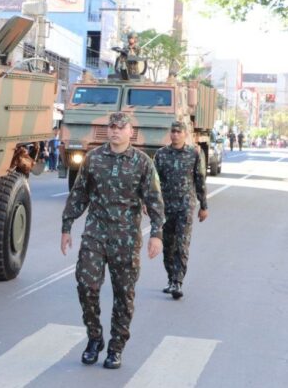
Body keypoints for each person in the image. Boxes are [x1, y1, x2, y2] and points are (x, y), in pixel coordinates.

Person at [60, 112, 165, 369]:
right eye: (112, 126)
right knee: (86, 285)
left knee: (123, 294)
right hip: (95, 233)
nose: (116, 130)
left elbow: (154, 199)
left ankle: (116, 347)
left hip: (126, 238)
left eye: (121, 127)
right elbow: (79, 195)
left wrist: (156, 235)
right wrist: (66, 226)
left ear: (131, 132)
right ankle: (95, 338)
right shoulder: (93, 159)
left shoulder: (142, 163)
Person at [153, 121, 208, 300]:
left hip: (185, 206)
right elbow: (153, 182)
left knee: (182, 245)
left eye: (179, 132)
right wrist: (148, 202)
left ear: (185, 134)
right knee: (168, 246)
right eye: (173, 132)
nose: (175, 135)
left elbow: (200, 180)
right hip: (165, 207)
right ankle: (171, 279)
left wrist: (203, 206)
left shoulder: (194, 153)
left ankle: (178, 281)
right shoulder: (161, 155)